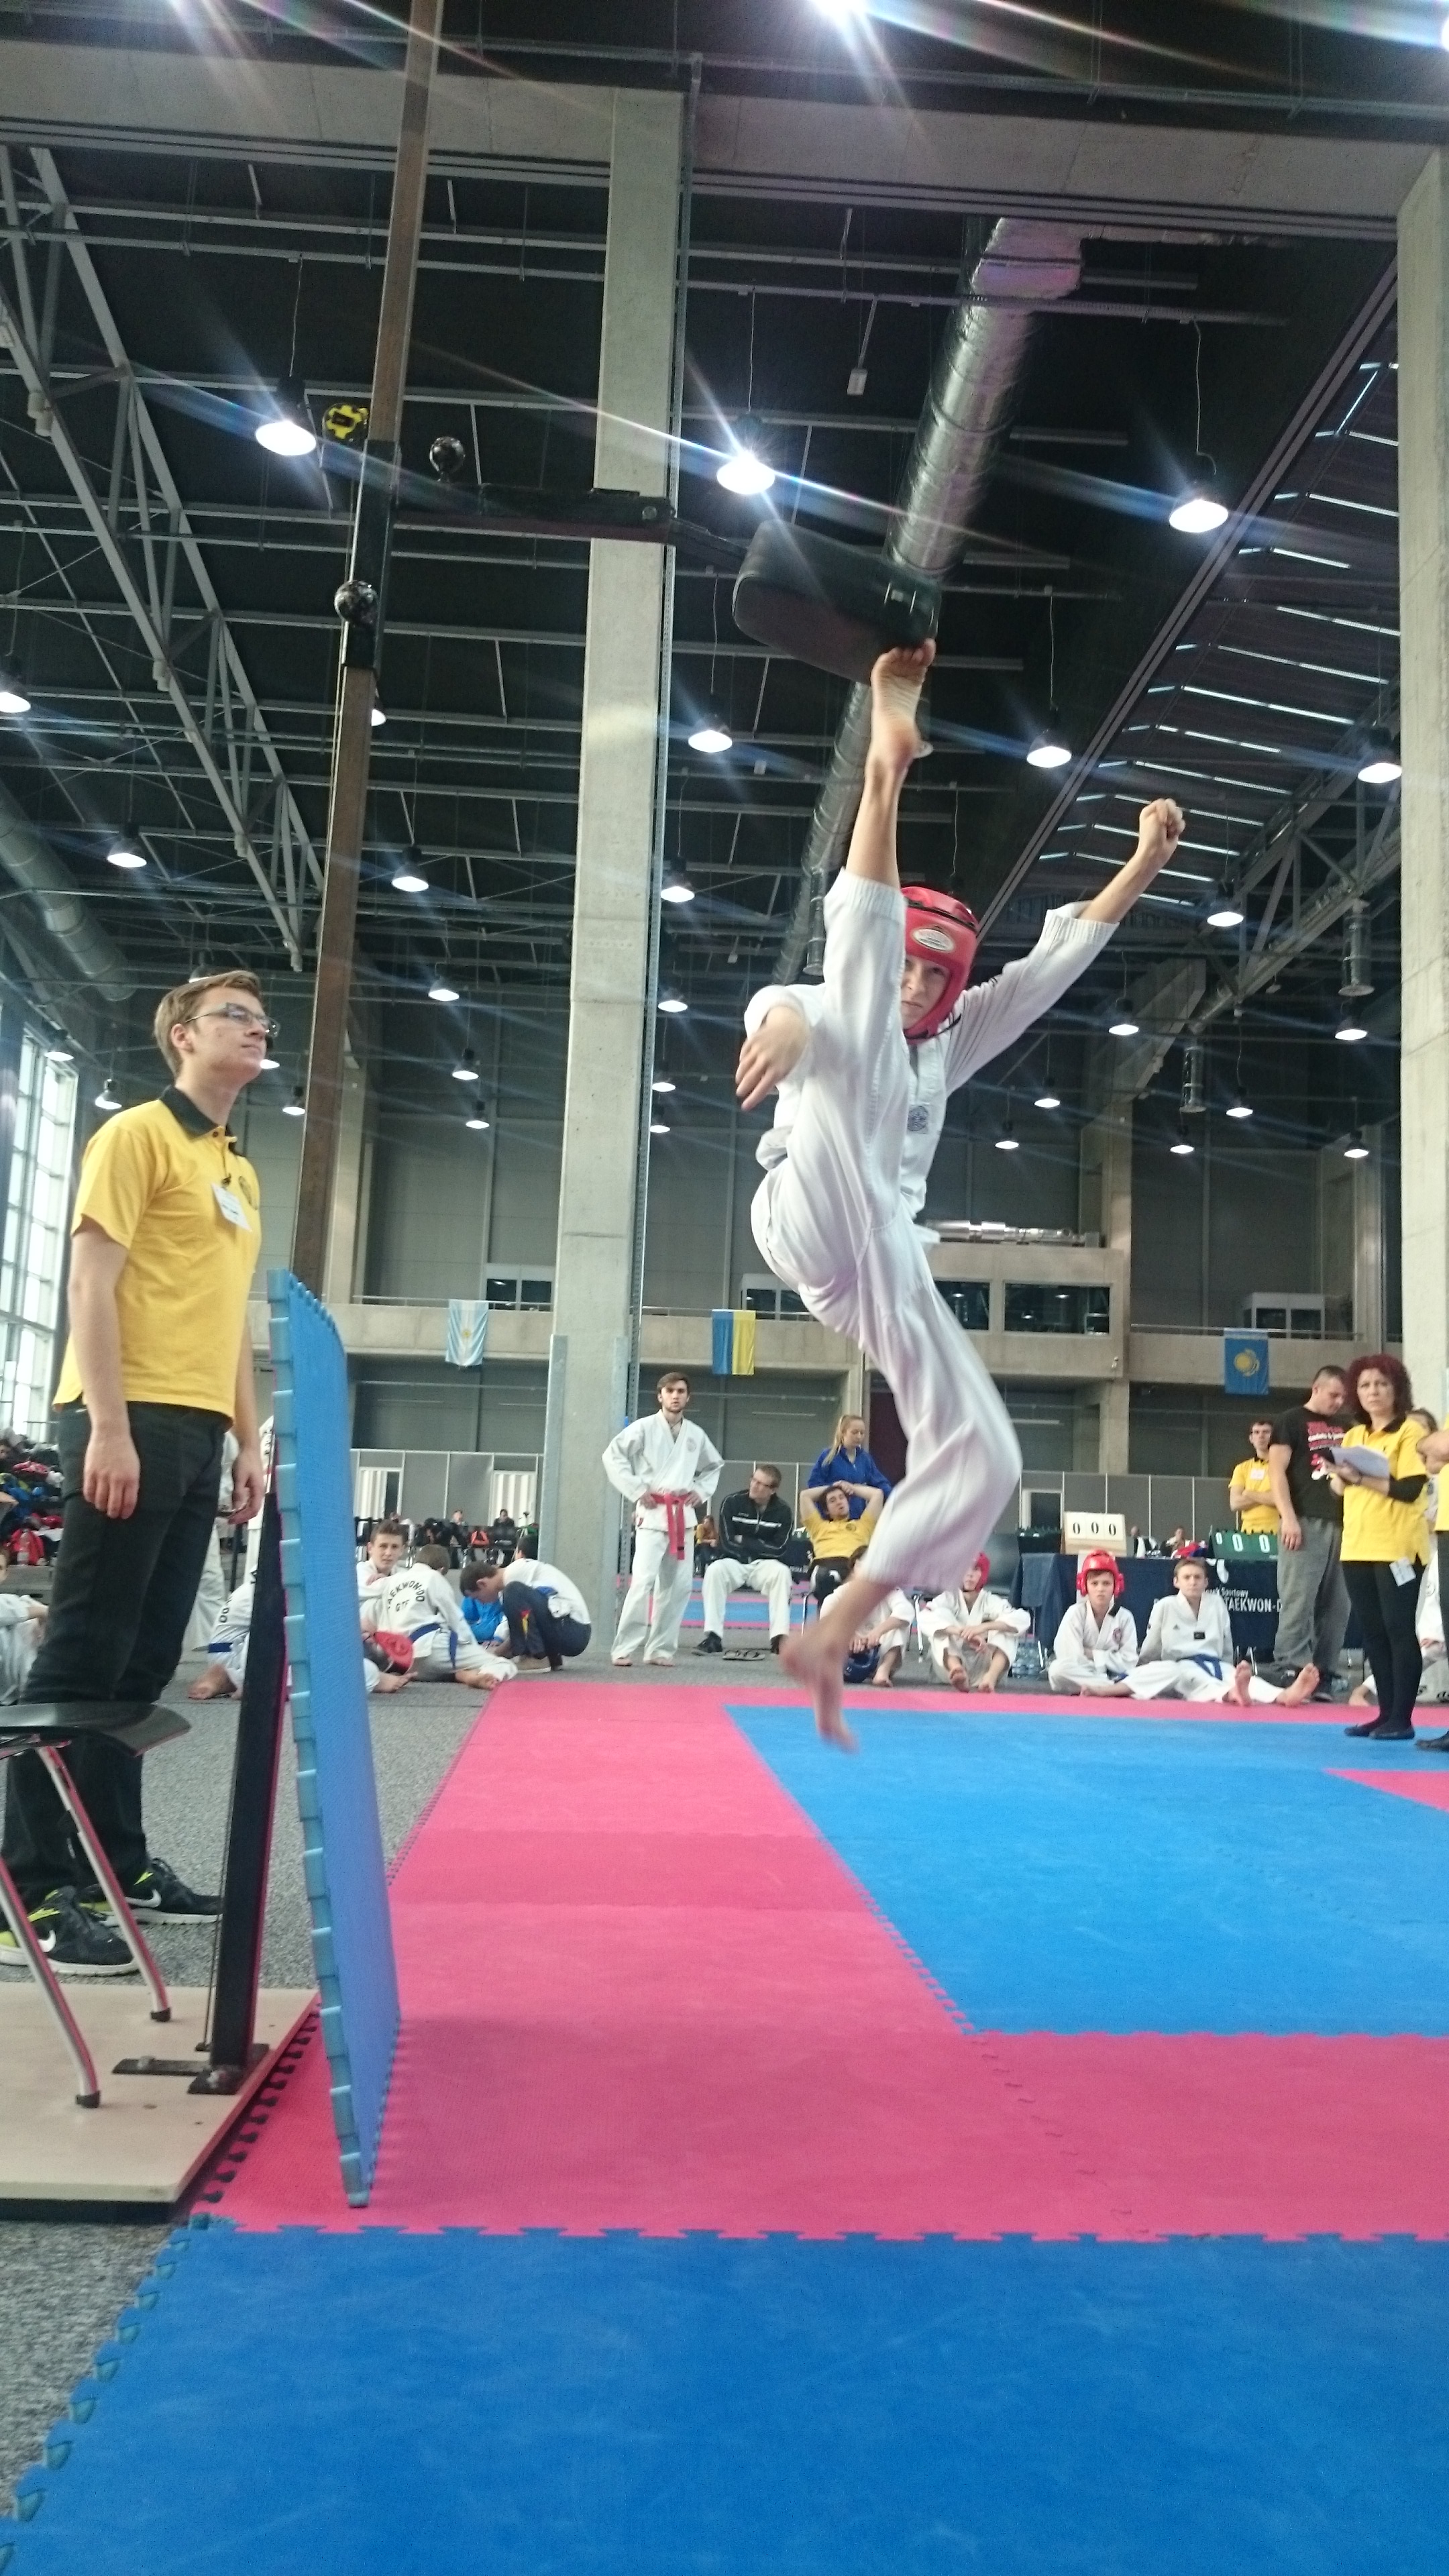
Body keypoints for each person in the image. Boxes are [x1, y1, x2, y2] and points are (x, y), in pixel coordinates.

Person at [737, 637, 1184, 1746]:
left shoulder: (954, 1034)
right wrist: (783, 1026)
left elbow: (1049, 969)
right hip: (805, 1205)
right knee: (852, 1032)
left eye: (936, 974)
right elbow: (797, 1005)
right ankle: (885, 768)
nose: (918, 984)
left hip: (878, 1258)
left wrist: (1142, 865)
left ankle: (840, 1624)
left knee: (987, 1450)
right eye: (909, 965)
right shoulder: (846, 998)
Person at [0, 971, 269, 1976]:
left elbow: (232, 1322)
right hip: (128, 1415)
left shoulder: (238, 1171)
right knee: (80, 1658)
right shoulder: (136, 1136)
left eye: (261, 1018)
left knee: (140, 1666)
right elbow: (89, 1281)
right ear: (182, 1036)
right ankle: (29, 1889)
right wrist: (107, 1426)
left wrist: (248, 1440)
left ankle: (118, 1863)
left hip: (198, 1429)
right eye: (235, 1015)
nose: (257, 1028)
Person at [1332, 1356, 1430, 1745]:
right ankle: (1385, 1713)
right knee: (1372, 1632)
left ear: (1396, 1389)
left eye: (1382, 1384)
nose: (1373, 1391)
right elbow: (1339, 1489)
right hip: (1357, 1544)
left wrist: (1361, 1478)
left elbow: (1409, 1488)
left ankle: (1403, 1718)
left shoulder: (1410, 1430)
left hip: (1398, 1545)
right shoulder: (1354, 1435)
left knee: (1398, 1628)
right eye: (1365, 1385)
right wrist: (1340, 1476)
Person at [603, 1372, 722, 1666]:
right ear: (660, 1396)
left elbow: (714, 1465)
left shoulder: (695, 1434)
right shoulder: (644, 1428)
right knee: (643, 1582)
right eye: (670, 1391)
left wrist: (700, 1490)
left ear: (688, 1397)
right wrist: (636, 1489)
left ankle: (660, 1648)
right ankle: (624, 1647)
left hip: (683, 1515)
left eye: (681, 1391)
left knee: (679, 1586)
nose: (675, 1396)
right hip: (653, 1512)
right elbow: (612, 1456)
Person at [1264, 1364, 1352, 1695]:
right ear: (1316, 1388)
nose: (1338, 1402)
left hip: (1344, 1522)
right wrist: (1288, 1517)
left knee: (1339, 1604)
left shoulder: (1348, 1426)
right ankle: (1291, 1664)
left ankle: (1323, 1670)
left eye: (1343, 1397)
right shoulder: (1291, 1420)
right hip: (1304, 1519)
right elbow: (1276, 1472)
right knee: (1299, 1597)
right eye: (1333, 1395)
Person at [358, 1519, 514, 1688]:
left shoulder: (398, 1576)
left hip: (396, 1654)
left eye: (394, 1547)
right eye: (383, 1546)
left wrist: (387, 1581)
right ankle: (478, 1672)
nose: (388, 1553)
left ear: (403, 1549)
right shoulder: (359, 1574)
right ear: (370, 1548)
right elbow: (456, 1620)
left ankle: (460, 1673)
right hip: (363, 1646)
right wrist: (472, 1647)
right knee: (498, 1663)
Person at [696, 1464, 796, 1656]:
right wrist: (757, 1548)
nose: (754, 1485)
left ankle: (779, 1638)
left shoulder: (783, 1511)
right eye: (754, 1480)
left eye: (761, 1484)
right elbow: (726, 1542)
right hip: (734, 1560)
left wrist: (745, 1541)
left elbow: (780, 1549)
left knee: (782, 1573)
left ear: (773, 1490)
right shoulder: (731, 1502)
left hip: (764, 1565)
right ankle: (713, 1637)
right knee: (715, 1570)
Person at [921, 1554, 1029, 1692]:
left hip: (983, 1666)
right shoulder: (948, 1598)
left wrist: (983, 1627)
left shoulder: (990, 1601)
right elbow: (924, 1618)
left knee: (1008, 1629)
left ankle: (991, 1678)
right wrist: (961, 1632)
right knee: (941, 1619)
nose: (969, 1574)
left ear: (983, 1574)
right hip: (948, 1668)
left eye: (976, 1569)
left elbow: (1023, 1619)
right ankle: (957, 1670)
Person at [498, 1549, 591, 1671]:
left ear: (482, 1584)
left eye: (478, 1597)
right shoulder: (526, 1568)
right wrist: (496, 1655)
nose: (481, 1601)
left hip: (573, 1631)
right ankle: (552, 1658)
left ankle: (536, 1658)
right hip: (577, 1631)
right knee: (529, 1605)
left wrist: (496, 1654)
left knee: (513, 1591)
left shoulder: (513, 1572)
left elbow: (520, 1621)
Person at [800, 1481, 883, 1607]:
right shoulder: (818, 1526)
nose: (839, 1502)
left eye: (842, 1497)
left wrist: (851, 1488)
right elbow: (805, 1496)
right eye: (832, 1501)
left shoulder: (864, 1525)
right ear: (826, 1511)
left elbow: (877, 1495)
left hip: (852, 1567)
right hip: (824, 1567)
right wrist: (833, 1486)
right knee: (826, 1577)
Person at [807, 1413, 892, 1521]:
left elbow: (880, 1482)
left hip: (857, 1520)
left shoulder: (865, 1459)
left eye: (862, 1433)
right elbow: (814, 1484)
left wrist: (895, 1498)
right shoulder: (828, 1456)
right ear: (843, 1432)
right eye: (854, 1432)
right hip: (832, 1521)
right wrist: (836, 1487)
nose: (859, 1436)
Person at [845, 1589, 916, 1687]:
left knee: (899, 1626)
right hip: (850, 1653)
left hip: (882, 1649)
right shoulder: (846, 1590)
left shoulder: (892, 1591)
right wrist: (850, 1634)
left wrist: (879, 1631)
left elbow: (906, 1610)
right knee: (834, 1628)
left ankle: (883, 1671)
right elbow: (828, 1611)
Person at [1228, 1419, 1279, 1538]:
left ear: (1275, 1437)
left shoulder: (1284, 1466)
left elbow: (1280, 1499)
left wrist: (1249, 1493)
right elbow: (1235, 1503)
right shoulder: (1242, 1468)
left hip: (1278, 1531)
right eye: (1256, 1432)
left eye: (1266, 1432)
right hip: (1248, 1533)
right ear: (1251, 1438)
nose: (1261, 1436)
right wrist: (1268, 1496)